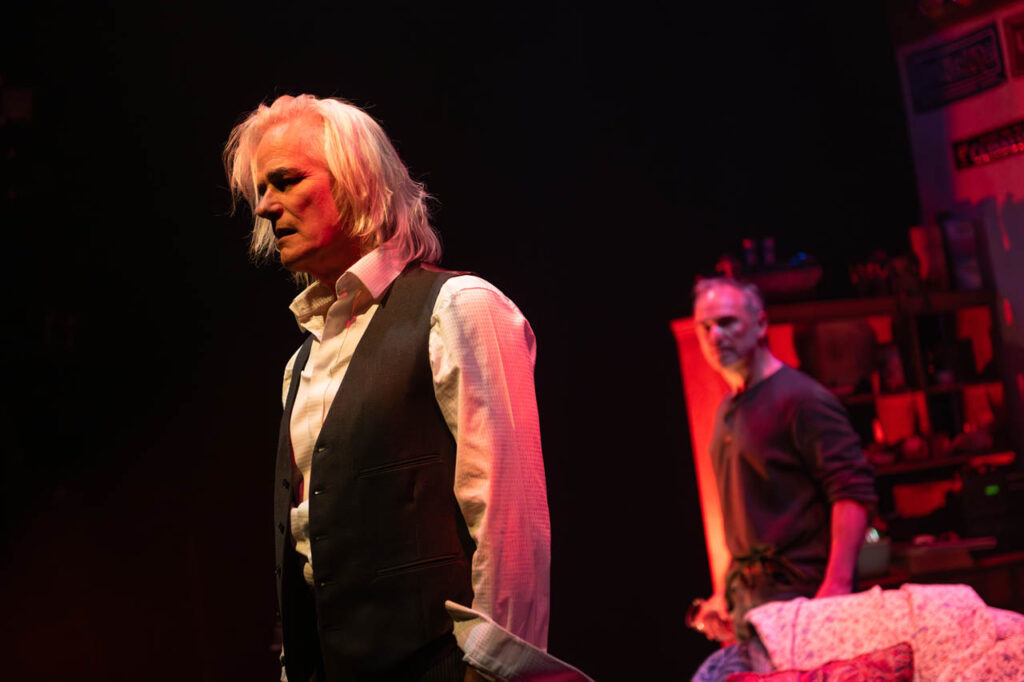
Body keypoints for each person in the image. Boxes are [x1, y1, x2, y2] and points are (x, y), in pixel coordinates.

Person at [223, 94, 553, 682]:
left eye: (286, 180)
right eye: (260, 191)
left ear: (357, 182)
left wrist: (497, 673)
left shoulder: (459, 307)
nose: (267, 207)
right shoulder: (301, 361)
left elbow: (508, 515)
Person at [688, 277, 877, 678]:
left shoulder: (802, 399)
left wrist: (835, 592)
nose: (714, 335)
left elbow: (853, 492)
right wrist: (725, 594)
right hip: (752, 607)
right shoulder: (727, 410)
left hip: (801, 605)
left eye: (727, 322)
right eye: (705, 327)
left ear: (760, 324)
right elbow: (748, 516)